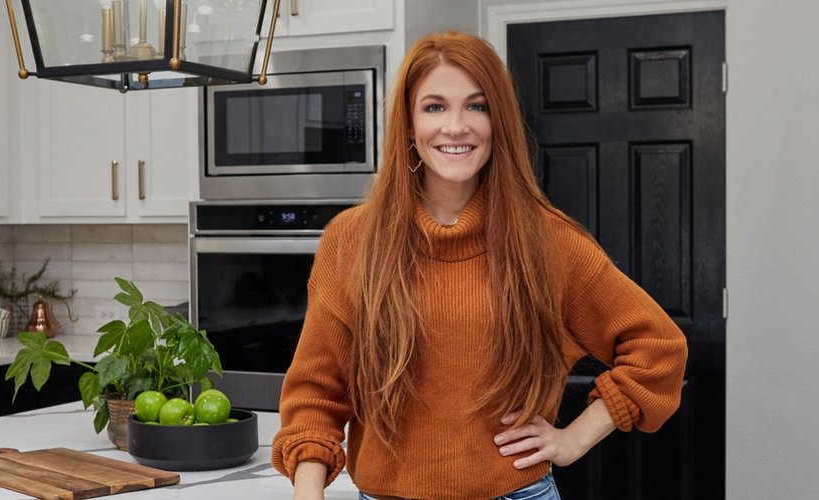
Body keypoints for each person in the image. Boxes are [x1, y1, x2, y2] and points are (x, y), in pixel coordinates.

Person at [270, 31, 688, 500]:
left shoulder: (549, 240)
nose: (455, 126)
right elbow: (315, 393)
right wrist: (309, 491)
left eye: (477, 105)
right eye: (434, 107)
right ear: (408, 125)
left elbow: (659, 347)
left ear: (499, 121)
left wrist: (572, 440)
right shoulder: (352, 240)